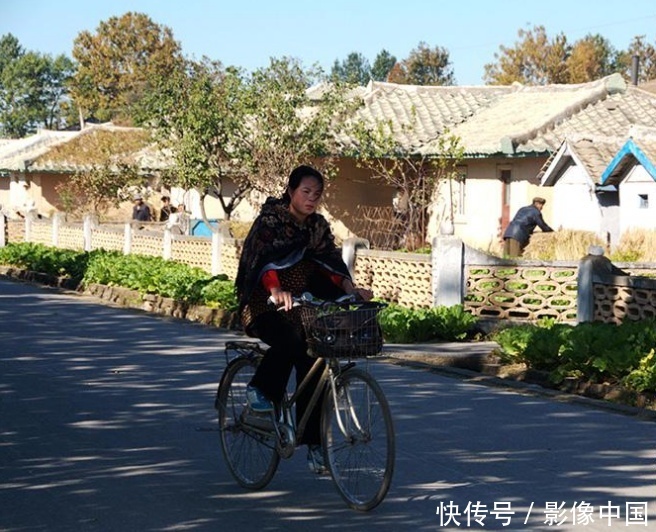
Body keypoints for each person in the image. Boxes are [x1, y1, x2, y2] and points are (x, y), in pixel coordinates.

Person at [235, 165, 372, 474]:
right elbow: (262, 261)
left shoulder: (317, 228)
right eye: (305, 192)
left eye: (317, 194)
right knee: (292, 341)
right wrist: (275, 289)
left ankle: (314, 445)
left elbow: (330, 264)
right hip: (264, 304)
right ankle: (259, 390)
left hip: (301, 306)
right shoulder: (270, 222)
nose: (311, 199)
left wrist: (351, 288)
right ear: (291, 191)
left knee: (314, 360)